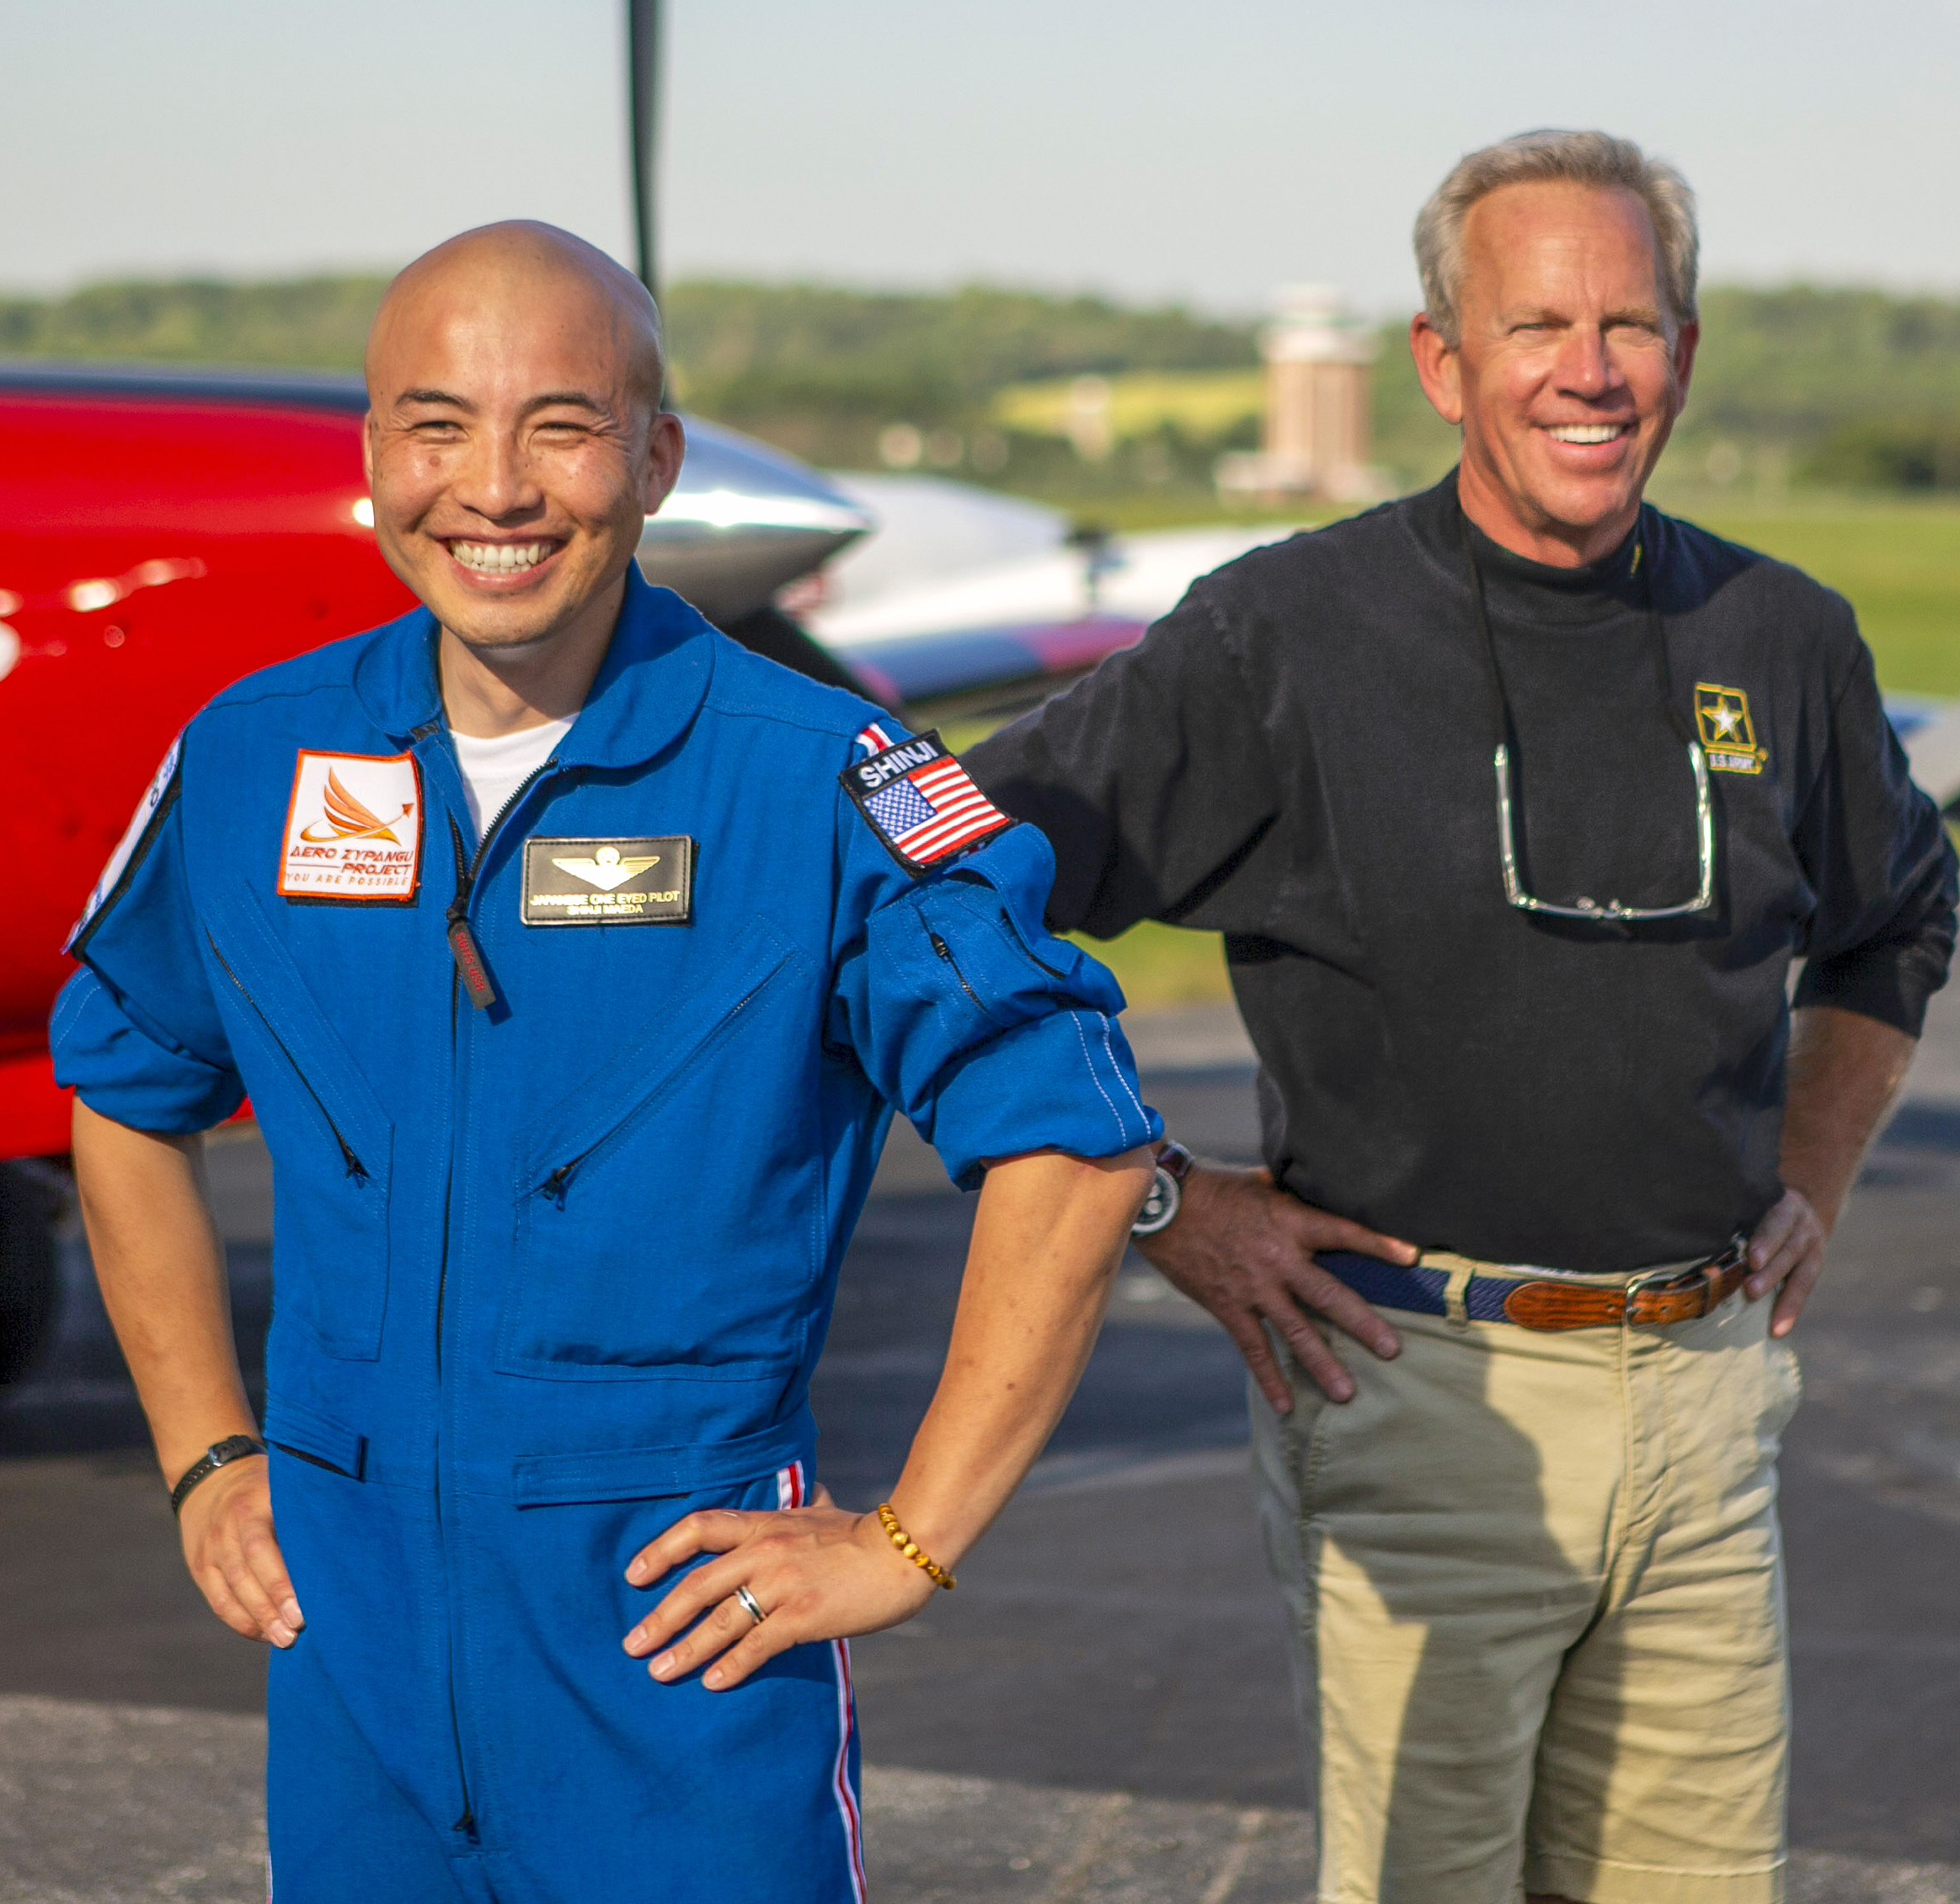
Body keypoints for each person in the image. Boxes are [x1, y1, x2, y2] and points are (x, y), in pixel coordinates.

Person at [57, 221, 1162, 1902]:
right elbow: (125, 1091)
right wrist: (207, 1449)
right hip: (349, 1683)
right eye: (436, 425)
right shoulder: (255, 755)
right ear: (371, 459)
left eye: (558, 426)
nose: (492, 487)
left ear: (654, 461)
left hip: (673, 1674)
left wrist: (904, 1540)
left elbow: (1073, 1141)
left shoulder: (818, 779)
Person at [968, 130, 1958, 1904]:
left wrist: (1810, 1168)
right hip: (1416, 1390)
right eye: (1537, 326)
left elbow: (1902, 913)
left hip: (1708, 1402)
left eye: (1631, 326)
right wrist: (1160, 1195)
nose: (1590, 371)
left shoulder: (1784, 637)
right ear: (1440, 360)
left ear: (1685, 353)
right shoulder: (1283, 637)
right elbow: (949, 887)